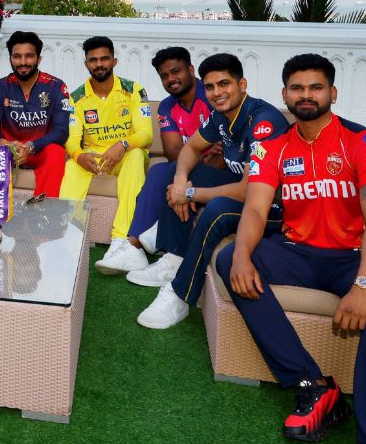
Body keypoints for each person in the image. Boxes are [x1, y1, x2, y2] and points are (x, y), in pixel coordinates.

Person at [216, 53, 366, 444]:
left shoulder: (364, 141)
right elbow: (256, 208)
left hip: (353, 257)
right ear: (285, 95)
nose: (306, 95)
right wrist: (241, 255)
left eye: (315, 87)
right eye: (297, 88)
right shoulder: (273, 147)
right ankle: (311, 383)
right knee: (228, 261)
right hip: (299, 252)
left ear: (332, 93)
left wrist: (364, 283)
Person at [130, 53, 289, 329]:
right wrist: (181, 181)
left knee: (216, 208)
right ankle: (174, 257)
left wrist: (190, 194)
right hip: (244, 192)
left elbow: (249, 191)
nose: (217, 93)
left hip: (272, 207)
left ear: (242, 85)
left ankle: (180, 295)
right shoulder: (220, 116)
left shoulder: (263, 121)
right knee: (178, 171)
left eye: (224, 84)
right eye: (211, 87)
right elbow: (191, 148)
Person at [59, 36, 152, 271]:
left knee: (136, 156)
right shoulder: (76, 97)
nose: (99, 64)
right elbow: (71, 139)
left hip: (126, 154)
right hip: (95, 158)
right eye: (93, 60)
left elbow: (146, 134)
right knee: (71, 166)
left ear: (114, 61)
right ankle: (71, 237)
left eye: (104, 59)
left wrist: (122, 145)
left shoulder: (134, 90)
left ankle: (120, 240)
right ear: (86, 64)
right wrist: (79, 155)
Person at [123, 46, 220, 254]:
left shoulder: (212, 94)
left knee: (167, 172)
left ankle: (143, 240)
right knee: (161, 170)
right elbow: (173, 152)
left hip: (222, 170)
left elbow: (223, 152)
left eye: (176, 72)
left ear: (191, 70)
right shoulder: (167, 106)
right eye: (164, 76)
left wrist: (194, 160)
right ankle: (135, 243)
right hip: (189, 167)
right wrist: (202, 156)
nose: (171, 79)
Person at [0, 30, 70, 198]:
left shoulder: (56, 86)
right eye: (17, 56)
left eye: (29, 56)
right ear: (10, 59)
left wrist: (31, 147)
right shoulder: (1, 87)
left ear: (38, 59)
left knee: (56, 152)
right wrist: (4, 143)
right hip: (10, 149)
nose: (23, 62)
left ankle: (45, 211)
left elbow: (61, 131)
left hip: (39, 149)